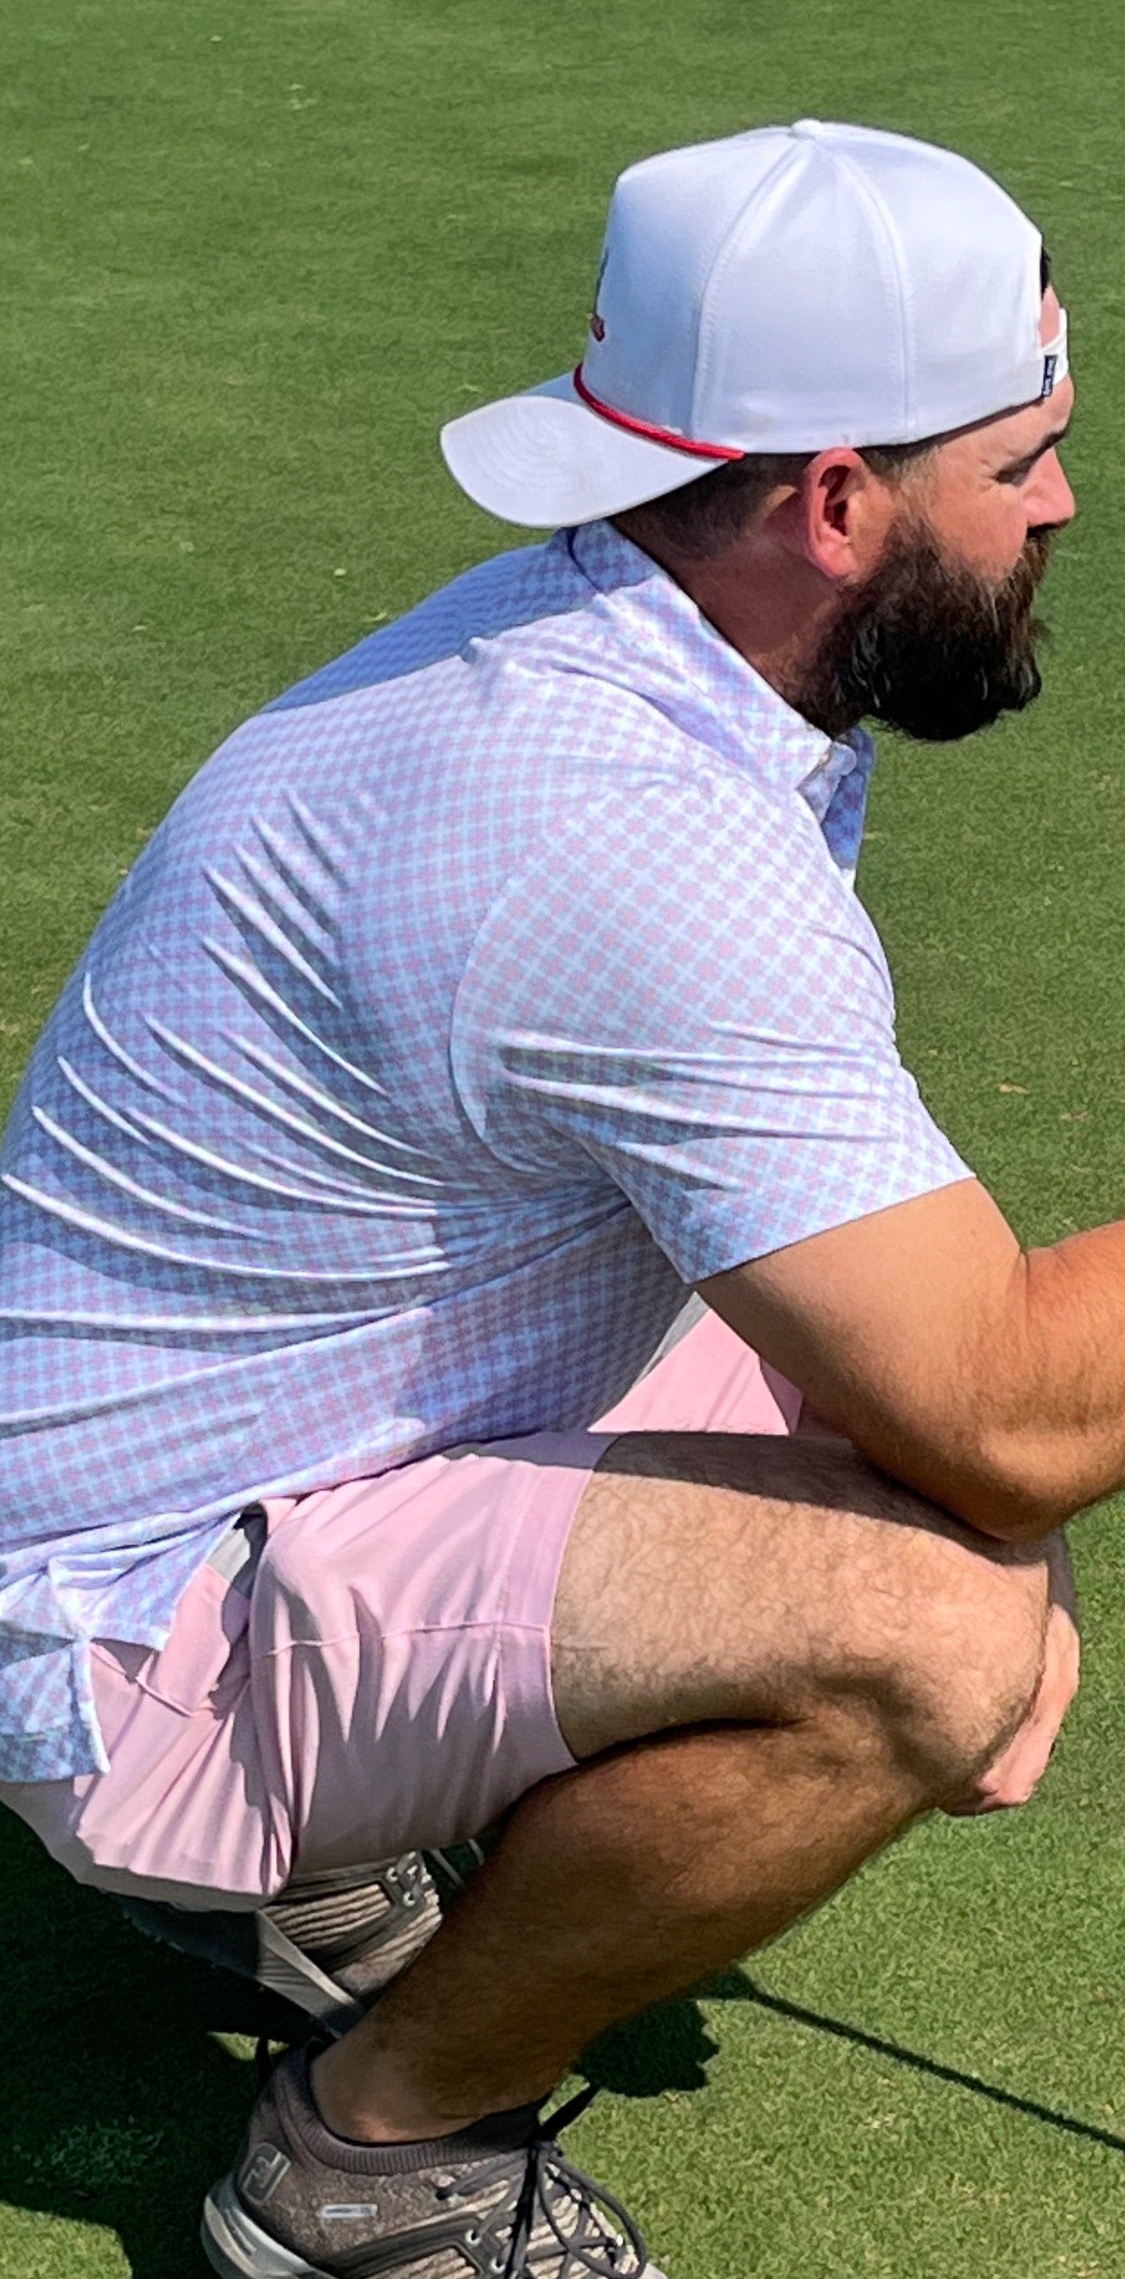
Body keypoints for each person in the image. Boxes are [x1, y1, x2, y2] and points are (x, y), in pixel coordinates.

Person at [0, 118, 1089, 2277]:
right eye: (1021, 456)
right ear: (840, 501)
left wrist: (973, 1460)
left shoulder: (624, 637)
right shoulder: (615, 824)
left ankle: (323, 1841)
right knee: (932, 1633)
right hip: (116, 1623)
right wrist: (990, 1499)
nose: (1056, 502)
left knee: (910, 1429)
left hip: (247, 1440)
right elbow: (1008, 1409)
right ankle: (364, 2159)